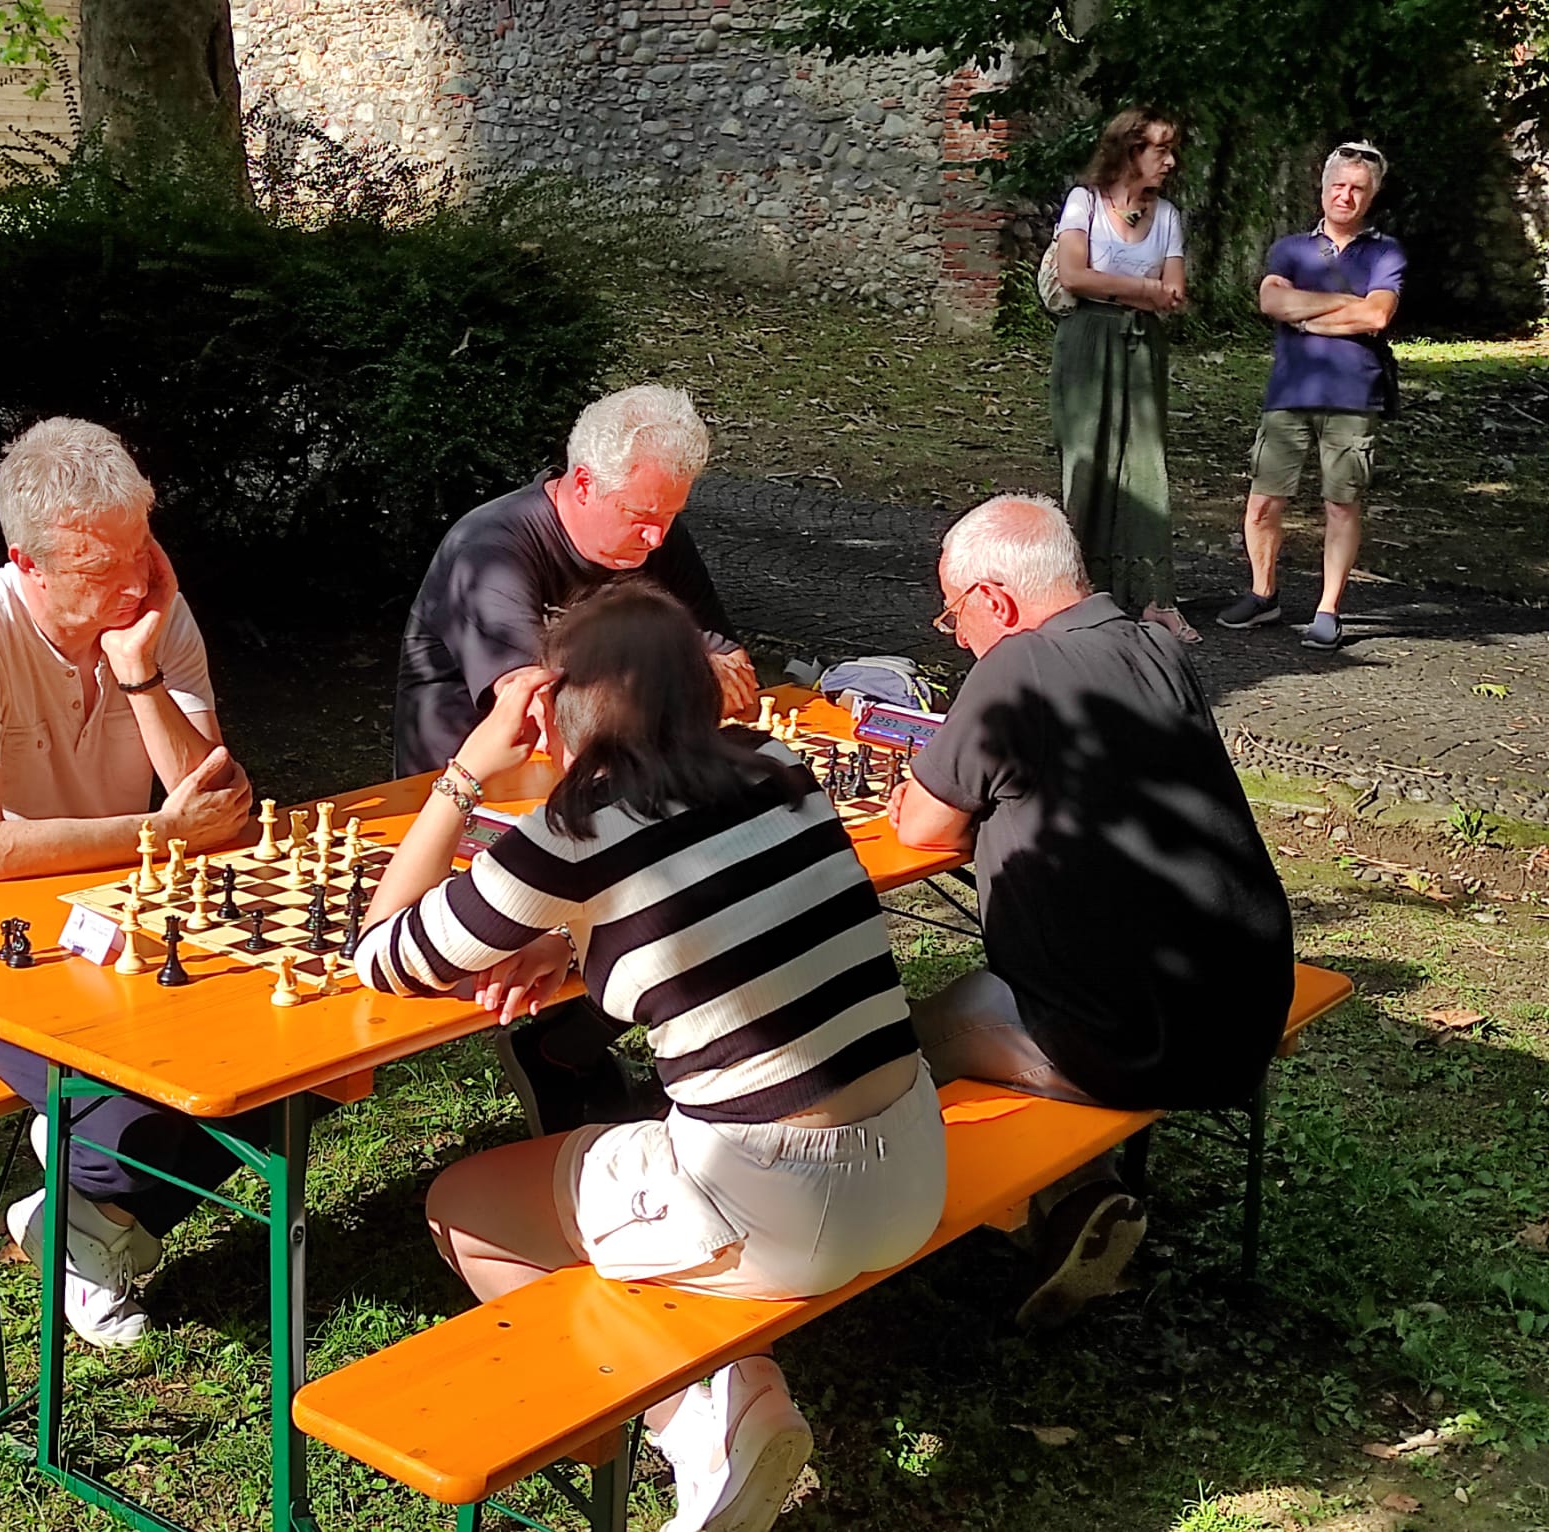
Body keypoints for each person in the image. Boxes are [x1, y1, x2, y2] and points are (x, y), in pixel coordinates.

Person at [357, 584, 947, 1532]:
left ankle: (700, 1418)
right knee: (628, 1147)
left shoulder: (573, 829)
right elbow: (717, 928)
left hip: (777, 1207)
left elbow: (383, 953)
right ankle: (715, 1395)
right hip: (917, 1165)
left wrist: (465, 771)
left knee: (463, 1209)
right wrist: (578, 939)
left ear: (554, 705)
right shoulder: (778, 766)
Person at [0, 416, 264, 1347]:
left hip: (115, 921)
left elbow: (216, 810)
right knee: (135, 1096)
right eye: (104, 569)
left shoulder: (154, 613)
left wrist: (140, 680)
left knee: (271, 1057)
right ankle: (90, 1212)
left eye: (144, 549)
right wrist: (159, 832)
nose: (137, 583)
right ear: (29, 563)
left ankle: (73, 1220)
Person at [891, 494, 1293, 1326]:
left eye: (952, 617)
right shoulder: (1156, 644)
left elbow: (927, 825)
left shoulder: (1016, 666)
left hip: (1130, 1040)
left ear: (993, 600)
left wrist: (911, 798)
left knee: (902, 1044)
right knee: (1053, 989)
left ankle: (987, 1218)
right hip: (1244, 1011)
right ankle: (1084, 1196)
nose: (958, 638)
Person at [394, 384, 760, 1137]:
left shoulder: (654, 534)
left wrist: (692, 680)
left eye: (671, 518)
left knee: (729, 876)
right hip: (469, 806)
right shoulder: (493, 546)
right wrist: (679, 689)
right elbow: (539, 718)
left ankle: (570, 1046)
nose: (657, 540)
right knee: (685, 876)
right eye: (641, 518)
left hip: (599, 789)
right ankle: (568, 1049)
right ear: (583, 483)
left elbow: (731, 666)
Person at [1217, 142, 1405, 652]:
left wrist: (1305, 313)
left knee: (1341, 504)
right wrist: (1344, 305)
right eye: (1338, 185)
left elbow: (1377, 316)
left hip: (1353, 394)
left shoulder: (1385, 252)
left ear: (1372, 195)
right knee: (1262, 502)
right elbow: (1270, 300)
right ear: (1322, 189)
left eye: (1357, 189)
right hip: (1290, 391)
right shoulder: (1291, 248)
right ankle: (1263, 595)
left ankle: (1328, 609)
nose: (1346, 196)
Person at [1049, 107, 1196, 643]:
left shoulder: (1169, 216)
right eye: (1159, 149)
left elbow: (1175, 293)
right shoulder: (1083, 203)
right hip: (1087, 343)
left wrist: (1118, 286)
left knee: (1144, 466)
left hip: (1140, 347)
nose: (1170, 160)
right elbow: (1072, 274)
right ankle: (1073, 590)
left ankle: (1153, 598)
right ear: (1129, 151)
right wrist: (1144, 290)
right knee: (1085, 464)